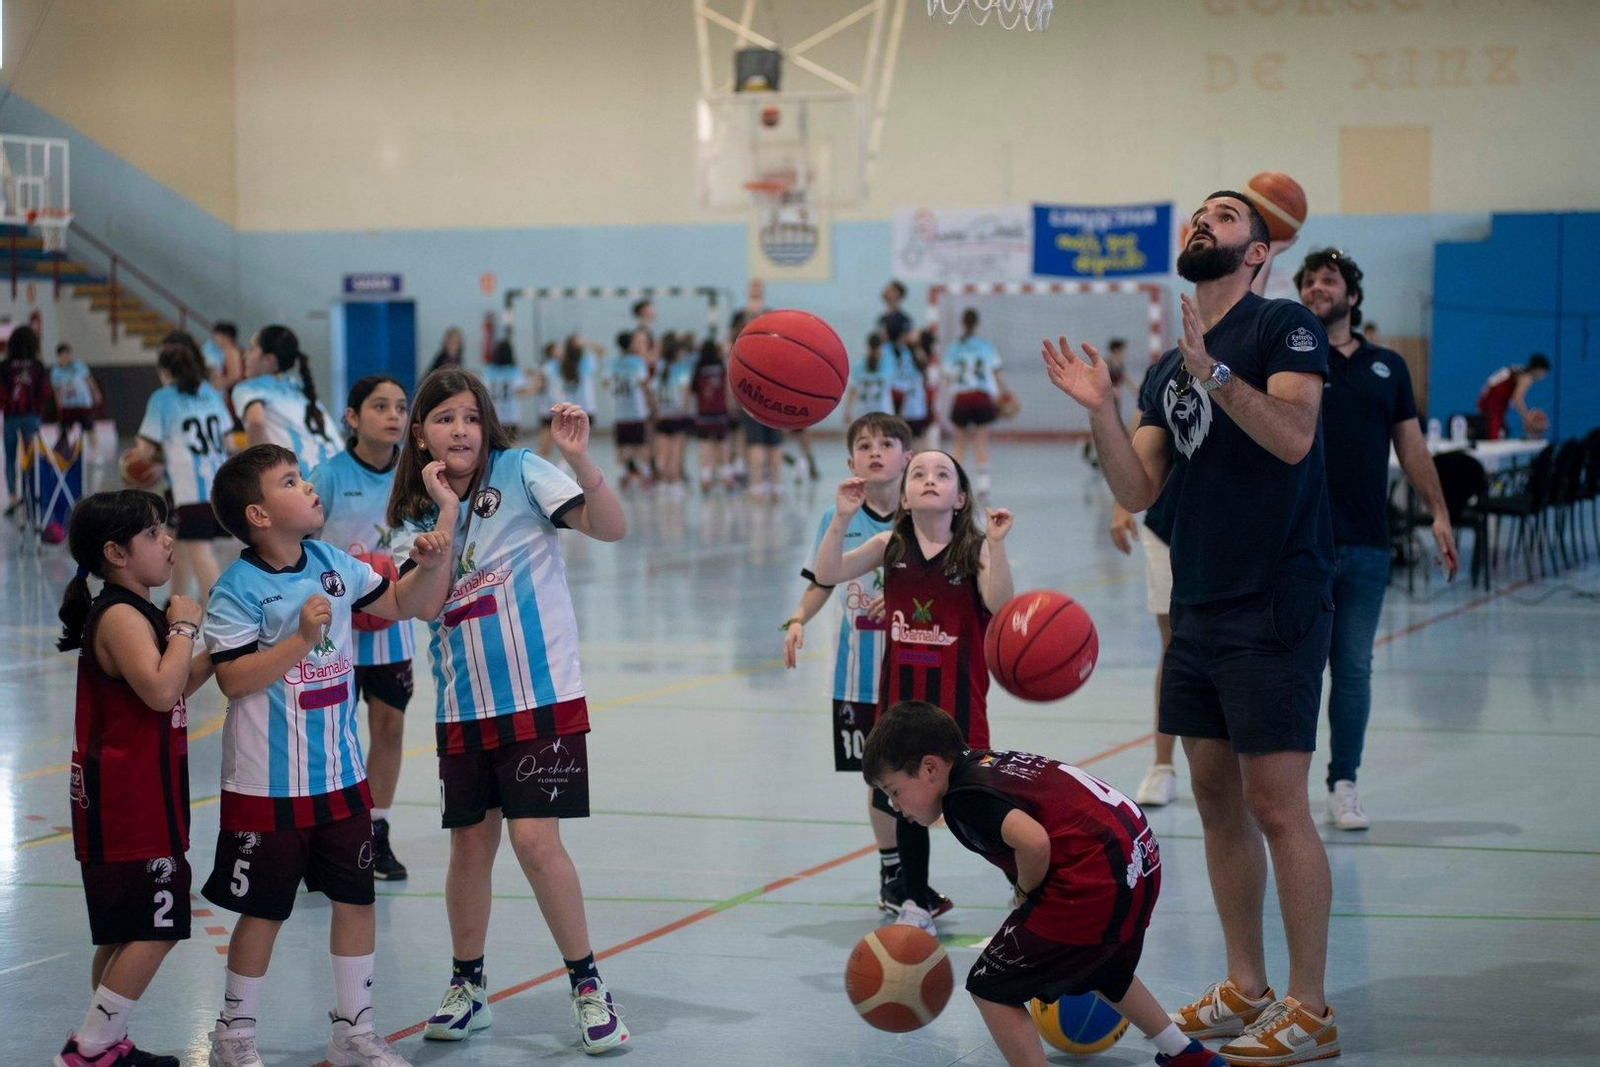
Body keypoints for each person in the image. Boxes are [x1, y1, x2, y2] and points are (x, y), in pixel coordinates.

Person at [1043, 190, 1339, 1065]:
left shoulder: (1283, 326)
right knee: (1216, 800)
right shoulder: (1166, 368)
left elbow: (1292, 437)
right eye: (1197, 216)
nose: (1201, 224)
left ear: (1258, 251)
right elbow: (1138, 492)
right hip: (1199, 602)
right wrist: (1100, 406)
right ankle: (1247, 983)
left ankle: (1310, 1007)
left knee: (1278, 805)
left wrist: (1213, 371)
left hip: (1275, 596)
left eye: (1223, 216)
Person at [384, 371, 631, 1054]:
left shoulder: (523, 471)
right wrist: (440, 514)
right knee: (470, 844)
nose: (459, 429)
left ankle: (588, 986)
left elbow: (611, 527)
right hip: (465, 706)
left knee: (533, 841)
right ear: (420, 433)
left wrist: (579, 456)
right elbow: (423, 605)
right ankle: (468, 985)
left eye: (470, 417)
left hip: (542, 696)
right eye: (443, 418)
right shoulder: (410, 513)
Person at [201, 443, 456, 1067]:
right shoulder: (237, 589)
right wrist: (302, 639)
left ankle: (354, 1029)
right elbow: (232, 681)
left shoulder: (331, 561)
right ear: (259, 515)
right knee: (264, 911)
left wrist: (428, 561)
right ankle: (234, 1033)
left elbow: (403, 605)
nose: (310, 487)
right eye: (291, 481)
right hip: (267, 784)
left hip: (341, 776)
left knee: (357, 899)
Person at [863, 702, 1227, 1067]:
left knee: (990, 988)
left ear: (929, 768)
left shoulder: (963, 799)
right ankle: (1184, 1053)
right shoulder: (988, 762)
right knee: (1102, 967)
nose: (896, 806)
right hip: (1140, 857)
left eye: (894, 791)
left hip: (1096, 878)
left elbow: (1034, 842)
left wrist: (1023, 893)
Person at [1279, 248, 1459, 828]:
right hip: (1299, 545)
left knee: (1352, 668)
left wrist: (1438, 512)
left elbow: (1410, 446)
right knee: (1296, 670)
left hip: (1367, 544)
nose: (1316, 287)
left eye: (1328, 280)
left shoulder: (1388, 367)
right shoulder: (1289, 364)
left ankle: (1344, 783)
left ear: (1352, 297)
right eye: (1308, 280)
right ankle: (1285, 789)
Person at [812, 450, 1014, 934]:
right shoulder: (890, 545)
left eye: (942, 474)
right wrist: (841, 517)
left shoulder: (975, 550)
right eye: (918, 474)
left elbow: (1001, 605)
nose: (928, 480)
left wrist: (999, 545)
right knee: (906, 805)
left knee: (978, 805)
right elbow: (828, 572)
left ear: (960, 497)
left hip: (960, 702)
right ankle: (916, 900)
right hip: (902, 704)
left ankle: (1021, 878)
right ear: (904, 494)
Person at [53, 490, 214, 1067]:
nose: (168, 540)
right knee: (161, 924)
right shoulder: (121, 615)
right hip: (128, 801)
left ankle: (106, 1040)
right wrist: (187, 628)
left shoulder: (136, 611)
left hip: (134, 796)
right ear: (116, 552)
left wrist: (220, 652)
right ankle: (90, 1045)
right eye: (153, 534)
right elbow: (160, 687)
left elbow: (168, 688)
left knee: (122, 932)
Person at [782, 413, 912, 911]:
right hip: (858, 676)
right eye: (864, 445)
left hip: (913, 668)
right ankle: (893, 873)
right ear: (850, 460)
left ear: (907, 456)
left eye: (886, 443)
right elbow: (822, 582)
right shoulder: (839, 516)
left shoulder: (920, 511)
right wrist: (796, 619)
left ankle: (908, 872)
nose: (875, 451)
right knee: (882, 778)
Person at [309, 375, 418, 881]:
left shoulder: (416, 477)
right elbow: (300, 546)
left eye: (400, 406)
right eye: (380, 406)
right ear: (352, 417)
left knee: (389, 729)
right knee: (333, 735)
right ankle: (325, 836)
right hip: (337, 635)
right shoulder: (327, 477)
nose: (394, 415)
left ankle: (376, 832)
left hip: (393, 626)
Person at [1109, 356, 1182, 809]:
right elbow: (1142, 436)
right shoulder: (1167, 368)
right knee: (1173, 648)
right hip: (1166, 525)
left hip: (1230, 533)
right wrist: (1123, 505)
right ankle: (1162, 764)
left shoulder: (1255, 355)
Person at [133, 337, 232, 603]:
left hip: (190, 488)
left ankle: (223, 615)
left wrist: (157, 461)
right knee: (179, 541)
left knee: (201, 551)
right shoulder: (211, 393)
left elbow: (143, 449)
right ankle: (175, 601)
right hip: (218, 482)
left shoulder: (163, 398)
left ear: (164, 370)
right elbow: (230, 441)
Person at [232, 325, 340, 476]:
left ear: (269, 359)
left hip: (308, 479)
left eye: (251, 349)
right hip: (339, 470)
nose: (245, 355)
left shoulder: (249, 387)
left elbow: (256, 422)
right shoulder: (300, 386)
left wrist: (252, 471)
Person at [945, 309, 1007, 499]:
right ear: (977, 323)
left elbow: (948, 377)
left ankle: (953, 485)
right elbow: (996, 375)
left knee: (959, 443)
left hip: (962, 397)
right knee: (981, 441)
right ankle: (983, 486)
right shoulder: (986, 346)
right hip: (981, 397)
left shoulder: (954, 348)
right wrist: (1003, 395)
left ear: (962, 322)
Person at [1, 324, 49, 515]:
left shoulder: (4, 366)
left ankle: (13, 496)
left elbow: (1, 393)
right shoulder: (38, 366)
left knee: (10, 457)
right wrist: (37, 407)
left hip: (11, 416)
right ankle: (30, 495)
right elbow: (44, 391)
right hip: (31, 416)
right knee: (30, 457)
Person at [608, 330, 654, 489]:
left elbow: (606, 383)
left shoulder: (612, 362)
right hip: (637, 411)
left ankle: (623, 474)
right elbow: (644, 383)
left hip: (619, 411)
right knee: (641, 445)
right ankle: (645, 475)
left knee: (621, 446)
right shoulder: (637, 362)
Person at [651, 333, 694, 497]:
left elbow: (653, 391)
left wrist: (656, 411)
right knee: (676, 450)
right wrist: (683, 410)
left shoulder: (659, 367)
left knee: (663, 451)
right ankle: (675, 481)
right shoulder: (681, 368)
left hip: (662, 414)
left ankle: (663, 482)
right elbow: (684, 391)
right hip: (676, 414)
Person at [691, 338, 733, 493]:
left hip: (703, 411)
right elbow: (728, 389)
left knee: (705, 444)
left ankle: (705, 477)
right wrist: (730, 406)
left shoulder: (698, 369)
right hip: (720, 410)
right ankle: (726, 476)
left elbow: (693, 391)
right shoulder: (721, 367)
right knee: (723, 443)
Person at [1476, 353, 1550, 440]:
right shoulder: (1526, 377)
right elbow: (1517, 399)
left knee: (1497, 429)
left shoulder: (1517, 370)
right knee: (1493, 433)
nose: (1543, 376)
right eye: (1544, 372)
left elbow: (1490, 383)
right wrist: (1526, 418)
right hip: (1495, 403)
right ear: (1538, 369)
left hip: (1489, 400)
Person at [482, 339, 536, 441]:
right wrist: (535, 386)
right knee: (511, 447)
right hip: (511, 416)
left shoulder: (488, 372)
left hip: (493, 415)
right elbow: (521, 391)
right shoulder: (514, 371)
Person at [51, 342, 102, 448]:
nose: (66, 358)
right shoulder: (56, 372)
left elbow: (89, 379)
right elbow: (57, 390)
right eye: (63, 355)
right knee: (64, 429)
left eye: (67, 355)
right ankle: (63, 451)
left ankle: (95, 449)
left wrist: (95, 392)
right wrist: (58, 403)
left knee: (89, 428)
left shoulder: (78, 365)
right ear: (59, 357)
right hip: (68, 405)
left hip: (82, 403)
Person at [841, 332, 895, 426]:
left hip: (883, 413)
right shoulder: (859, 366)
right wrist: (847, 411)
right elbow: (852, 390)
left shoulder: (887, 364)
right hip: (863, 413)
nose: (875, 352)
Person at [202, 322, 244, 393]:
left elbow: (234, 376)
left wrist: (215, 387)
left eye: (216, 336)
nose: (214, 339)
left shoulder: (231, 351)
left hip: (223, 390)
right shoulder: (220, 350)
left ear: (225, 337)